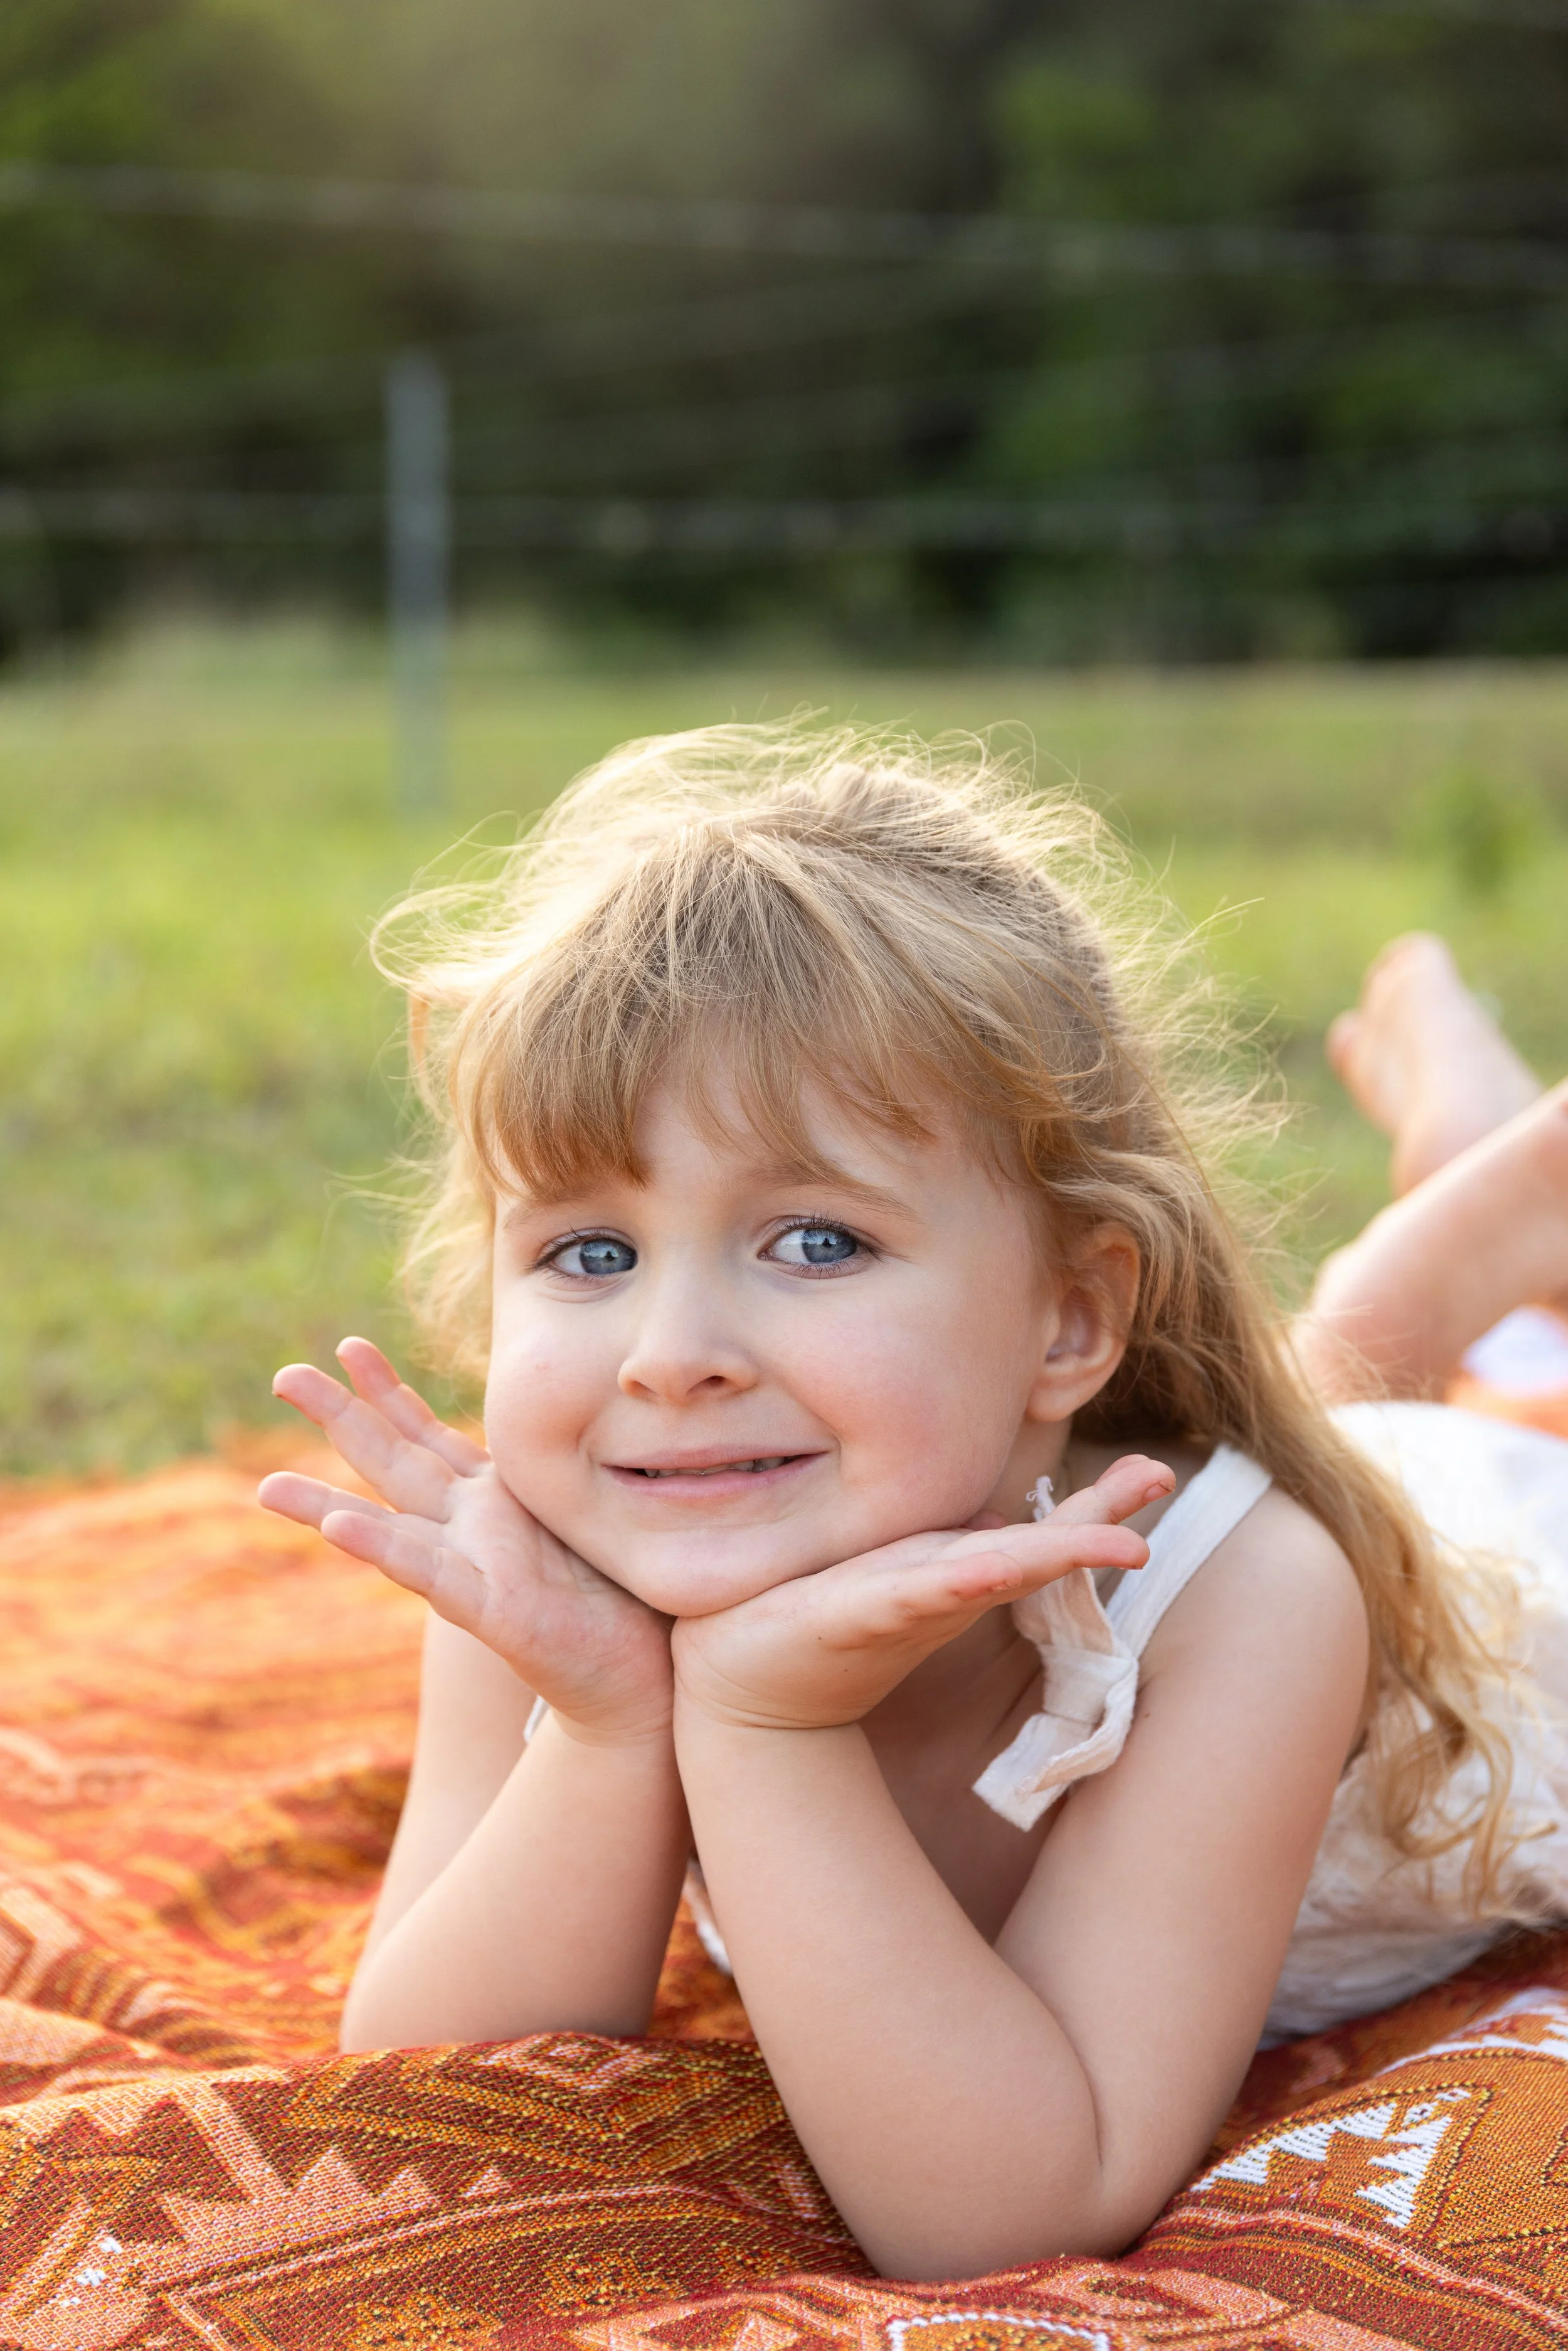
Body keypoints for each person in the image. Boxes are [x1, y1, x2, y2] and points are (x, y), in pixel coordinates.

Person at [258, 731, 1568, 2279]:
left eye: (813, 1241)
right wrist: (611, 1722)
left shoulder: (1246, 1595)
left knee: (1364, 1430)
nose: (671, 1359)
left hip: (1508, 1561)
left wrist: (761, 1729)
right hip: (1093, 1444)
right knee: (1339, 1386)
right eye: (590, 1253)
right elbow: (436, 2100)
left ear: (1070, 1322)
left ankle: (1471, 1222)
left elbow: (1011, 2204)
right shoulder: (547, 1576)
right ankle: (1468, 1211)